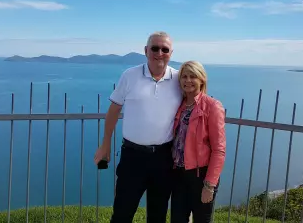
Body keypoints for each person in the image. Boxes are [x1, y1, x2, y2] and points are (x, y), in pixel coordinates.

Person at [94, 31, 182, 223]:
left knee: (157, 216)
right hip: (133, 157)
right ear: (145, 50)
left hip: (164, 158)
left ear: (171, 53)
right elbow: (114, 109)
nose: (159, 53)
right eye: (155, 48)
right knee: (122, 213)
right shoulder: (130, 75)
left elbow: (196, 102)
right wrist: (105, 144)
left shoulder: (179, 79)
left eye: (165, 49)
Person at [171, 61, 226, 223]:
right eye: (184, 76)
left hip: (200, 175)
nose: (188, 80)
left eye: (193, 76)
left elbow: (219, 150)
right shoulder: (179, 105)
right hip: (179, 174)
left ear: (202, 80)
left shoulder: (212, 106)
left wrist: (209, 185)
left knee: (202, 220)